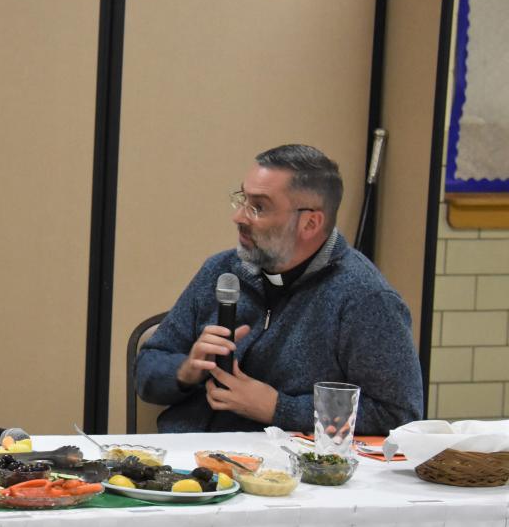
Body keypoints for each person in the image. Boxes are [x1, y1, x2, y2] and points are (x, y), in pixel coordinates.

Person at [135, 144, 423, 434]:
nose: (239, 218)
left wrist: (278, 408)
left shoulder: (364, 298)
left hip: (289, 471)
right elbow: (146, 368)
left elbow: (399, 414)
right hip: (188, 460)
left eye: (258, 207)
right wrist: (186, 370)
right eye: (242, 200)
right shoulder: (222, 270)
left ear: (310, 223)